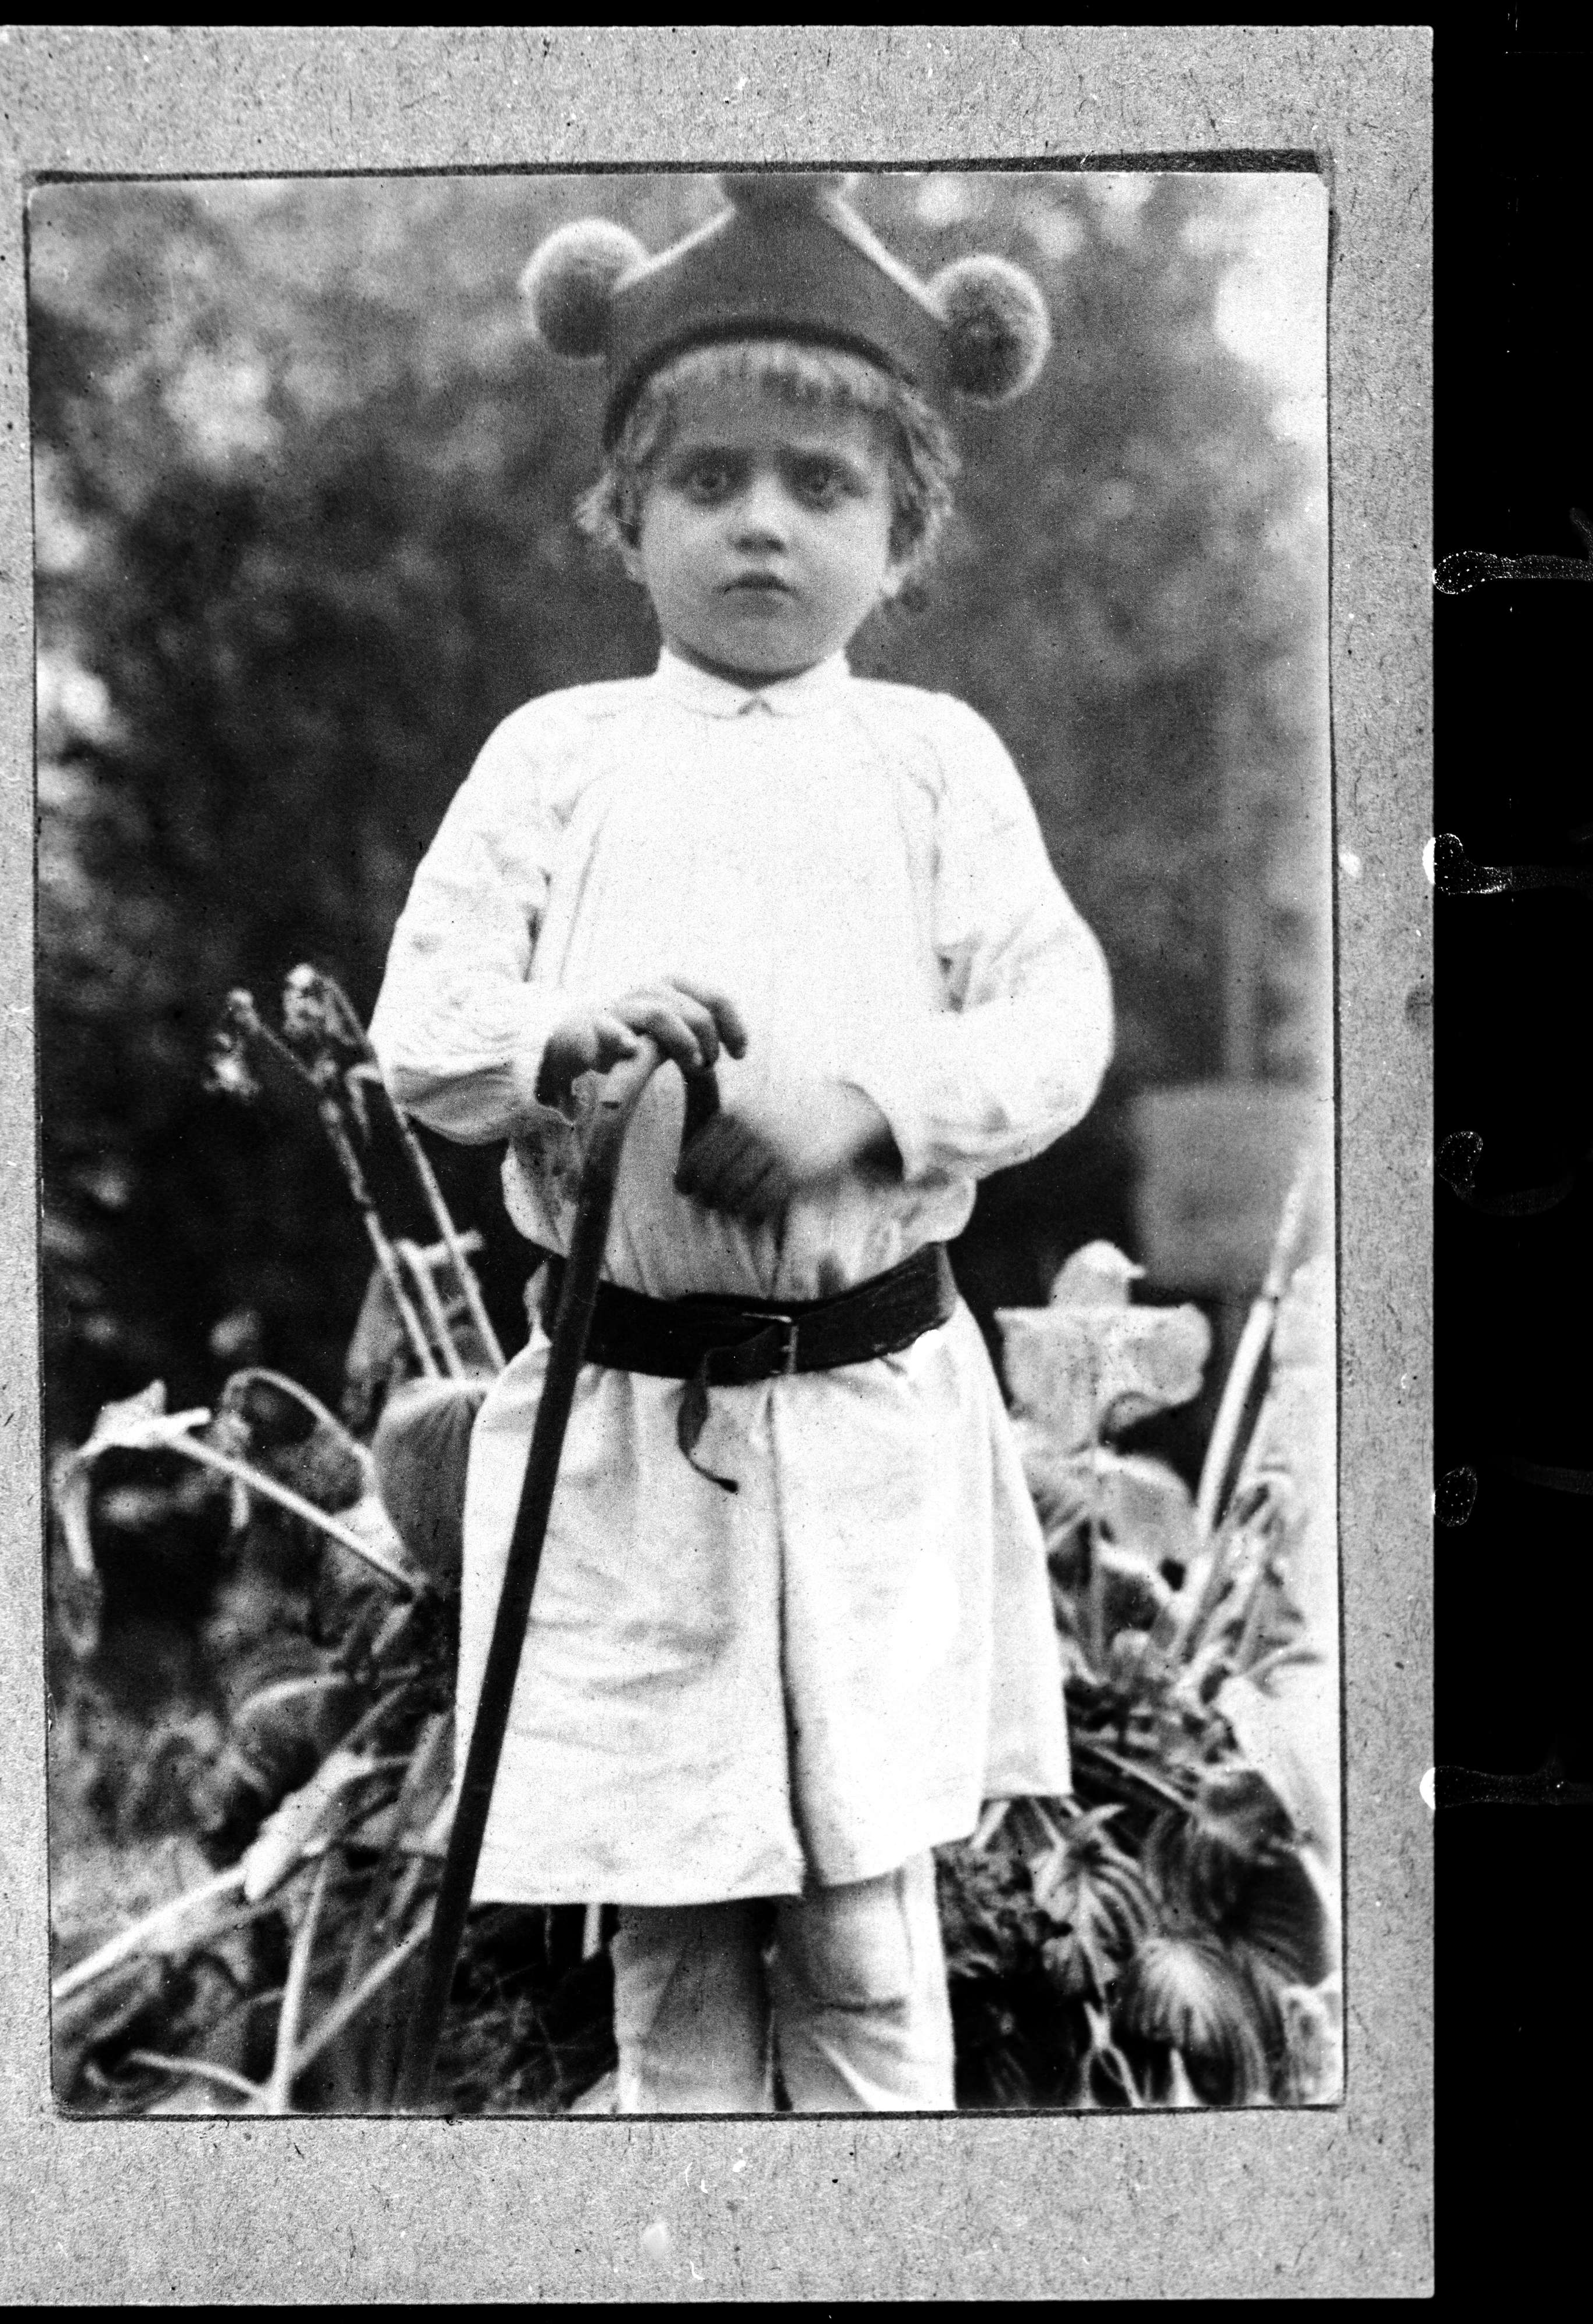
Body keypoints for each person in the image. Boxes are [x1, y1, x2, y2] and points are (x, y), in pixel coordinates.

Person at [368, 171, 1113, 2114]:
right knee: (670, 1935)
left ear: (901, 535)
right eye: (707, 481)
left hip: (864, 1420)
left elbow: (1054, 1022)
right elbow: (423, 1028)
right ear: (628, 517)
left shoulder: (932, 762)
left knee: (861, 1931)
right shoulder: (560, 756)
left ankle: (872, 2224)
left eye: (819, 484)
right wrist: (561, 1038)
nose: (761, 521)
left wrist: (861, 1110)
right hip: (629, 1428)